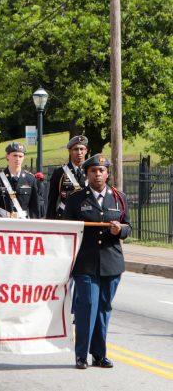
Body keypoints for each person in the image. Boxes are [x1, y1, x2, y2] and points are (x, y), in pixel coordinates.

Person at [63, 154, 131, 370]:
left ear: (107, 173)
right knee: (87, 307)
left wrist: (120, 230)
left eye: (101, 170)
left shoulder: (118, 197)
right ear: (87, 174)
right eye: (93, 171)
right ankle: (81, 355)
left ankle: (99, 355)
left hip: (111, 263)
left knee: (103, 308)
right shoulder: (76, 199)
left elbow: (128, 226)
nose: (98, 174)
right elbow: (67, 231)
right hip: (85, 262)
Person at [0, 142, 41, 219]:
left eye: (20, 156)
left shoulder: (30, 179)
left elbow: (35, 208)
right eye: (15, 155)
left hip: (23, 222)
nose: (17, 159)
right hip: (2, 222)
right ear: (7, 156)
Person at [47, 135, 89, 219]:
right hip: (65, 215)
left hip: (86, 215)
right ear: (69, 151)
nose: (79, 152)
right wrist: (50, 222)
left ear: (86, 151)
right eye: (76, 149)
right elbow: (52, 200)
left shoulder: (91, 171)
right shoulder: (60, 172)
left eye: (82, 149)